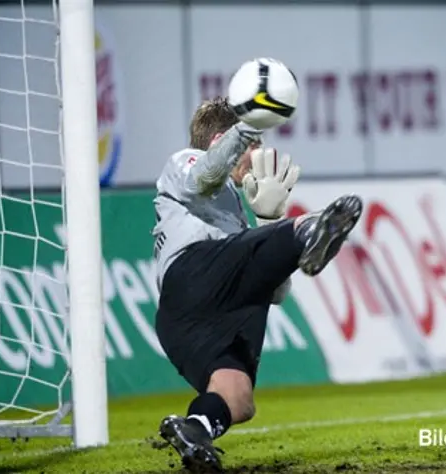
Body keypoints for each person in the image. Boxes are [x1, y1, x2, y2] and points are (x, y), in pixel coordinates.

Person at [152, 97, 363, 472]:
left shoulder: (234, 210)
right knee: (294, 232)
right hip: (191, 277)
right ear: (222, 139)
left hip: (191, 323)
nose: (261, 155)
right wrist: (248, 125)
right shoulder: (184, 162)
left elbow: (277, 293)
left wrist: (268, 219)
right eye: (254, 146)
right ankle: (310, 229)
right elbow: (205, 175)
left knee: (237, 397)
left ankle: (194, 430)